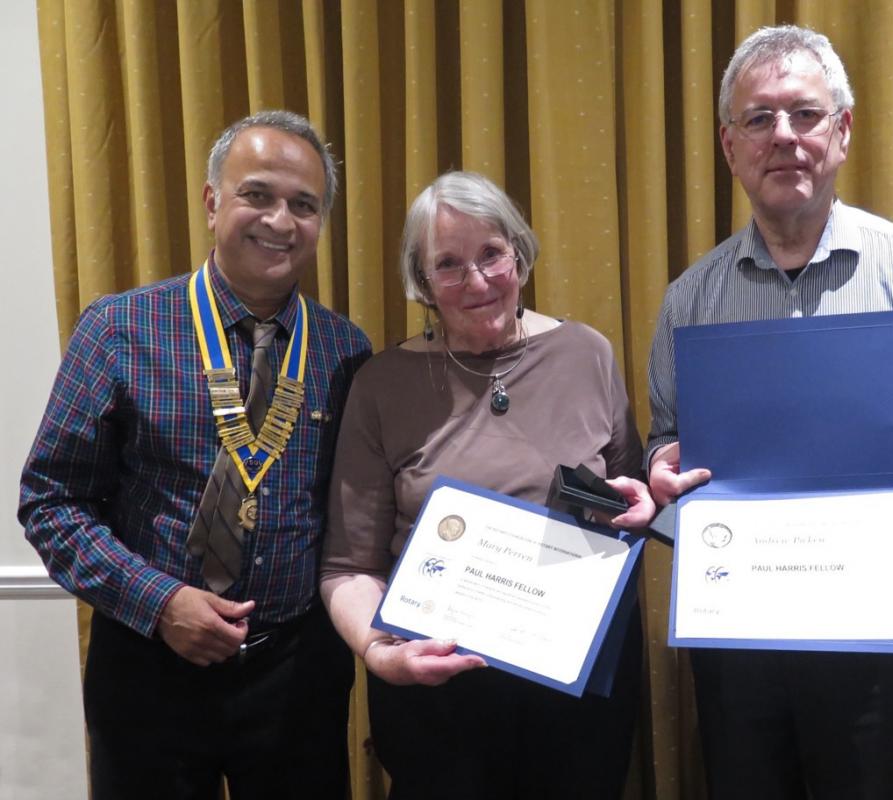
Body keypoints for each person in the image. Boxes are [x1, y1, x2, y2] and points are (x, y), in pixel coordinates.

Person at [646, 25, 893, 800]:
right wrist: (662, 469)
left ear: (841, 130)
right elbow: (666, 438)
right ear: (728, 144)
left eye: (804, 114)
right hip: (739, 626)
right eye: (758, 118)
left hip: (882, 630)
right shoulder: (690, 301)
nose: (782, 137)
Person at [19, 110, 371, 799]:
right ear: (213, 202)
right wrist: (159, 602)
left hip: (294, 676)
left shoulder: (343, 350)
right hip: (149, 665)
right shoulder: (119, 328)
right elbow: (51, 501)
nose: (280, 220)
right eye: (257, 194)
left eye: (304, 205)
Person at [320, 170, 653, 799]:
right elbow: (346, 567)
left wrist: (638, 505)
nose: (476, 280)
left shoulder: (588, 355)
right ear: (422, 283)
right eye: (448, 264)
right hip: (440, 699)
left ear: (520, 255)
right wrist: (378, 652)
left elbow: (628, 502)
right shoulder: (380, 384)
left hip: (574, 694)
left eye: (492, 254)